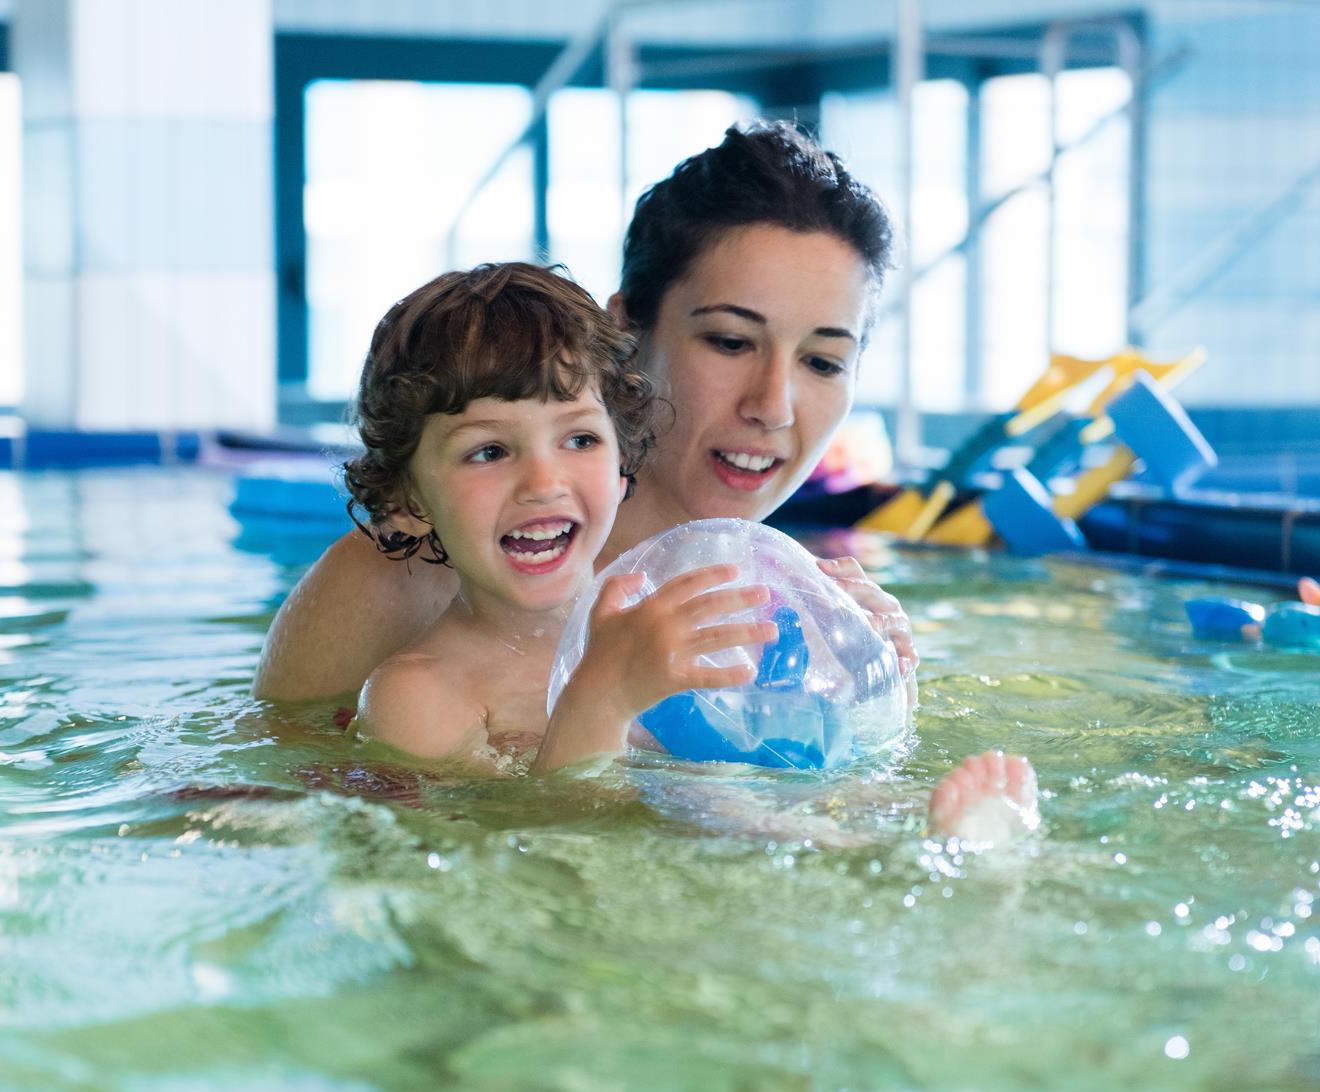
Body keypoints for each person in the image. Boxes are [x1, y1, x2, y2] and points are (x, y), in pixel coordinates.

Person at [255, 120, 912, 706]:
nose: (773, 406)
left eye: (823, 362)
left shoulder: (787, 611)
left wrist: (876, 681)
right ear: (625, 331)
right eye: (730, 342)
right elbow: (262, 803)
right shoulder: (408, 579)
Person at [344, 261, 778, 774]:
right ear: (408, 502)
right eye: (488, 451)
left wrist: (859, 656)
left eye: (580, 440)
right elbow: (542, 841)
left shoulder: (661, 615)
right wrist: (602, 698)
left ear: (621, 467)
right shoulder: (418, 695)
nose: (544, 483)